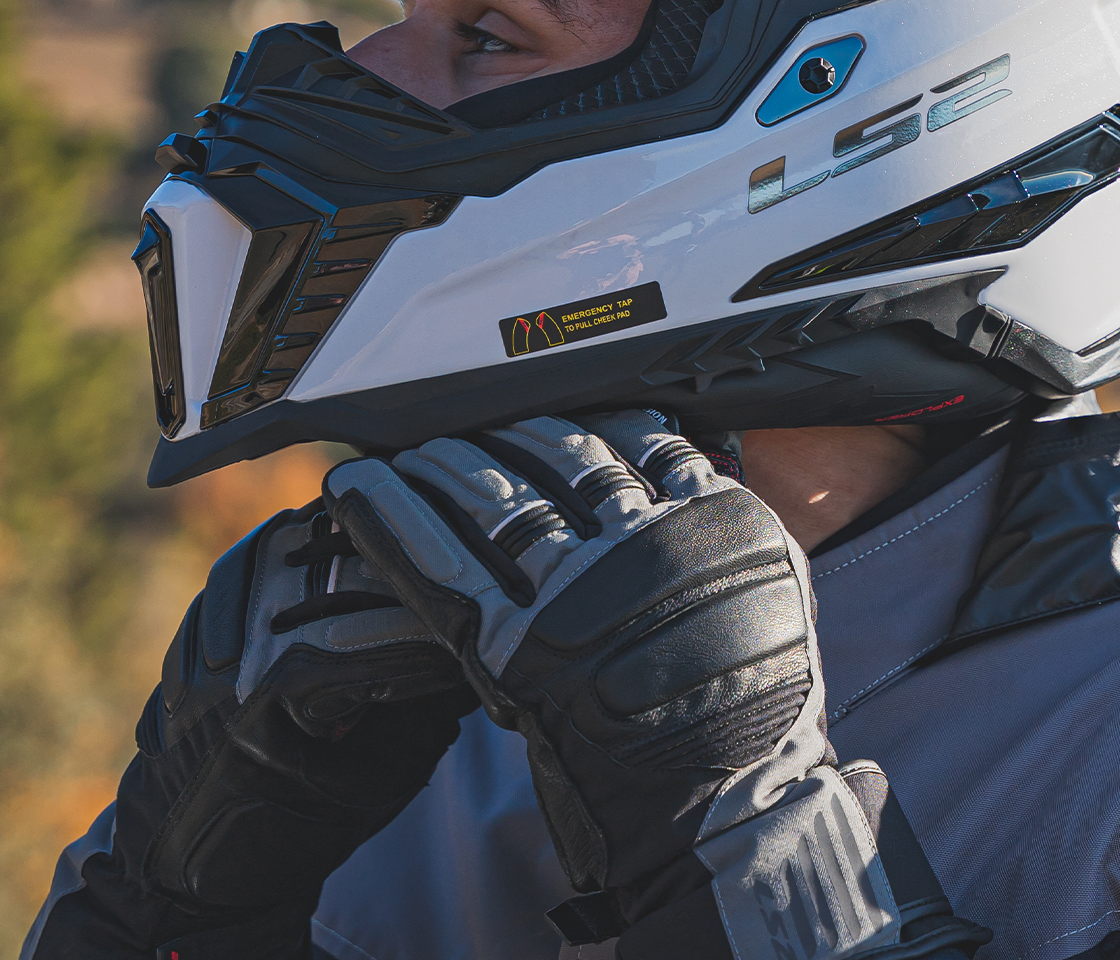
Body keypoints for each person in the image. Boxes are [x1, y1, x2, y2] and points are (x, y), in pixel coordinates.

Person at [21, 0, 1120, 958]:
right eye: (403, 17)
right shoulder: (380, 688)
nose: (360, 70)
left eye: (490, 36)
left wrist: (743, 825)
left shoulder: (1088, 743)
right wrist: (170, 911)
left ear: (870, 117)